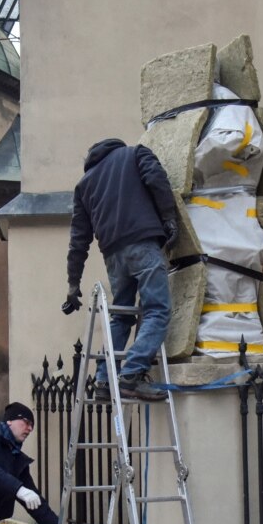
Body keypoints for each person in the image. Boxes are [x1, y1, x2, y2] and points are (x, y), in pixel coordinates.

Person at [63, 138, 179, 402]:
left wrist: (73, 284)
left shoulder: (84, 184)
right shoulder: (135, 153)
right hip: (143, 242)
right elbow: (157, 179)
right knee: (157, 310)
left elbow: (78, 239)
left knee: (122, 316)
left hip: (113, 255)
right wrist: (169, 217)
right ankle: (131, 375)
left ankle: (104, 379)